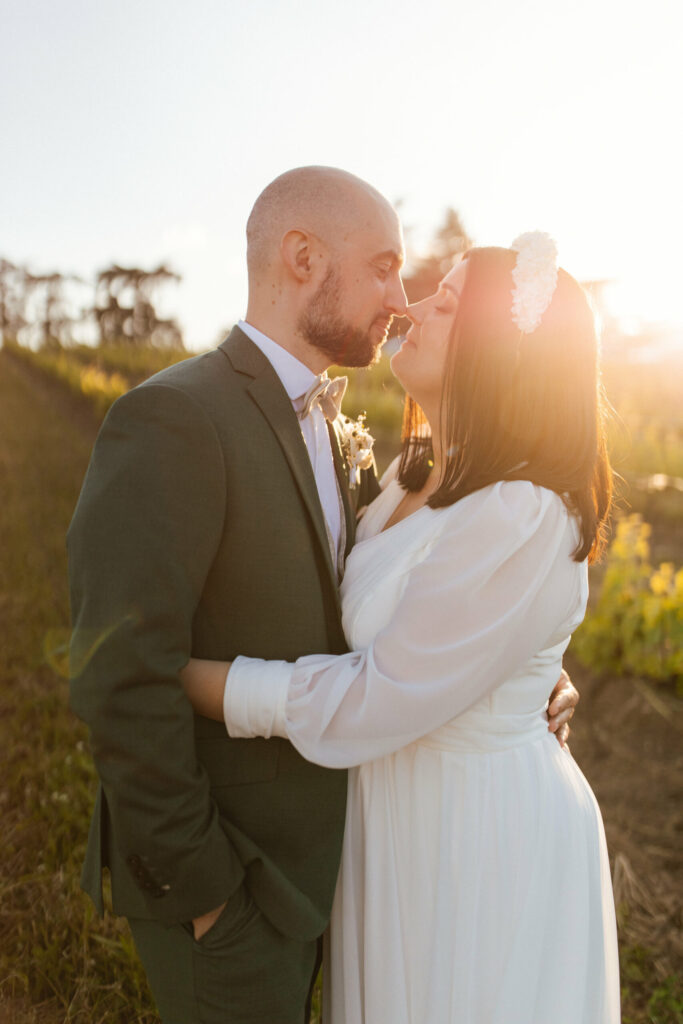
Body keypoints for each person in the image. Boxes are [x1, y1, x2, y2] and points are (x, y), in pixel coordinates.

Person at [67, 168, 578, 1024]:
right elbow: (117, 676)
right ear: (302, 258)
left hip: (337, 869)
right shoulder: (174, 419)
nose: (402, 298)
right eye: (383, 266)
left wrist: (529, 673)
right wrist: (207, 896)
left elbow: (419, 593)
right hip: (230, 882)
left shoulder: (353, 446)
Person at [179, 233, 620, 1022]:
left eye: (444, 303)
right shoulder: (406, 479)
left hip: (474, 830)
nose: (413, 308)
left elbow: (385, 691)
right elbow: (436, 636)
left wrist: (207, 685)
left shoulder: (522, 511)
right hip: (398, 809)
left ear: (498, 354)